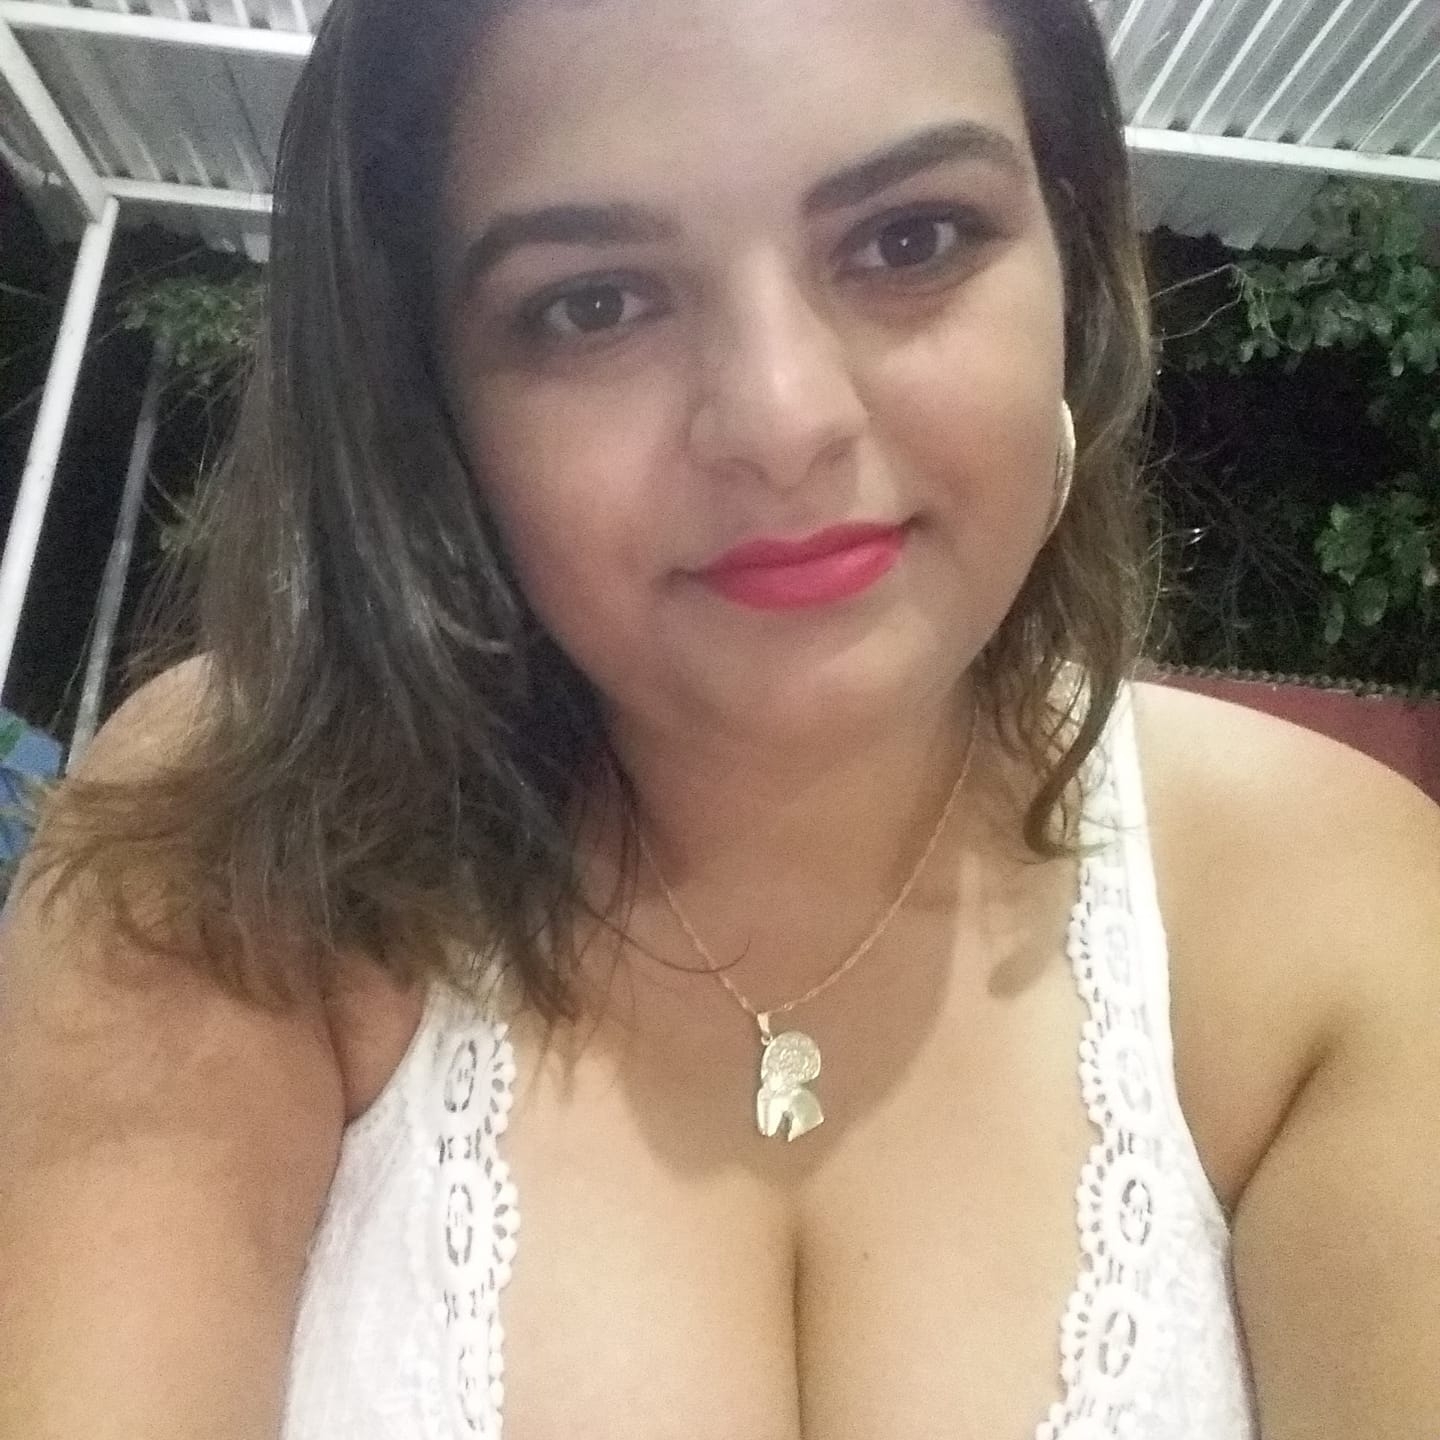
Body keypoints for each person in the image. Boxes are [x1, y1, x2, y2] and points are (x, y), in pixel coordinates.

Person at [2, 0, 1437, 1435]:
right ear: (425, 401)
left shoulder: (1334, 902)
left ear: (1073, 264)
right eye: (594, 303)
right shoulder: (245, 842)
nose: (782, 417)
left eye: (911, 239)